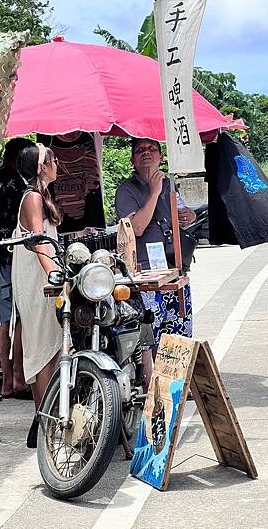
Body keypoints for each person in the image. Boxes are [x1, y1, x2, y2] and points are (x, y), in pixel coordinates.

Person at [115, 138, 196, 388]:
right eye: (140, 150)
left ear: (161, 156)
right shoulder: (126, 191)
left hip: (174, 267)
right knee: (150, 330)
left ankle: (178, 383)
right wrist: (154, 192)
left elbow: (184, 216)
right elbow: (136, 228)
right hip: (145, 271)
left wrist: (188, 216)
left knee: (179, 327)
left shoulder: (170, 184)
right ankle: (154, 385)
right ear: (132, 160)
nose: (146, 153)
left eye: (152, 149)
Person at [12, 143, 62, 446]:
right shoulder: (32, 197)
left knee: (49, 347)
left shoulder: (40, 195)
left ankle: (46, 418)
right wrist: (55, 275)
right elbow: (38, 242)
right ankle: (47, 423)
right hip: (37, 282)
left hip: (40, 278)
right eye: (52, 159)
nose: (57, 163)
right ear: (42, 167)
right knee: (43, 351)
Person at [0, 137, 33, 398]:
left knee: (4, 320)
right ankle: (16, 378)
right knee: (18, 318)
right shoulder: (15, 185)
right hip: (6, 259)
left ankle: (8, 381)